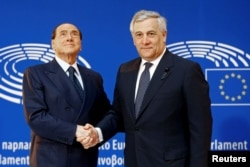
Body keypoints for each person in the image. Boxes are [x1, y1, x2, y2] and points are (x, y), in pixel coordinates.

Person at [80, 10, 213, 167]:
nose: (145, 41)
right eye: (139, 35)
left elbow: (200, 127)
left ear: (164, 35)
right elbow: (118, 114)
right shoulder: (125, 70)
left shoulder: (186, 70)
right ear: (133, 40)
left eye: (151, 34)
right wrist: (97, 132)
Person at [22, 23, 111, 167]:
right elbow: (36, 117)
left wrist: (96, 133)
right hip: (50, 159)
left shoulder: (93, 77)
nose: (69, 38)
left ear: (80, 45)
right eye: (63, 34)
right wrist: (76, 131)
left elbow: (108, 115)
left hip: (85, 158)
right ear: (53, 44)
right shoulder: (35, 73)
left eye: (74, 34)